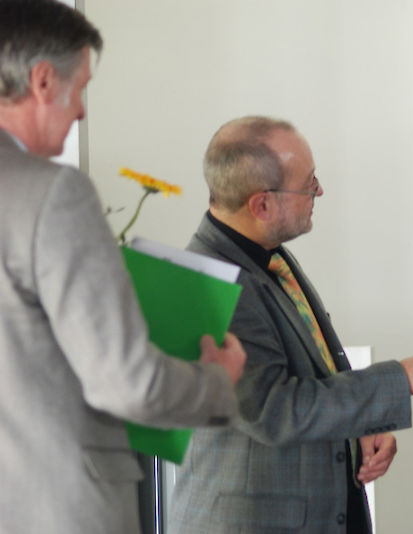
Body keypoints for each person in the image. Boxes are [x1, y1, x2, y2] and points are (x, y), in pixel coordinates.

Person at [0, 2, 246, 533]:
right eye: (80, 88)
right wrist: (215, 381)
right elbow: (125, 383)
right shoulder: (51, 194)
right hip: (58, 508)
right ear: (42, 81)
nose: (82, 112)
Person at [168, 116, 413, 534]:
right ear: (262, 204)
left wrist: (361, 427)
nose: (320, 191)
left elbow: (316, 364)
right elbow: (275, 409)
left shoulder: (266, 254)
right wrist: (400, 378)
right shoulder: (207, 283)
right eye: (308, 183)